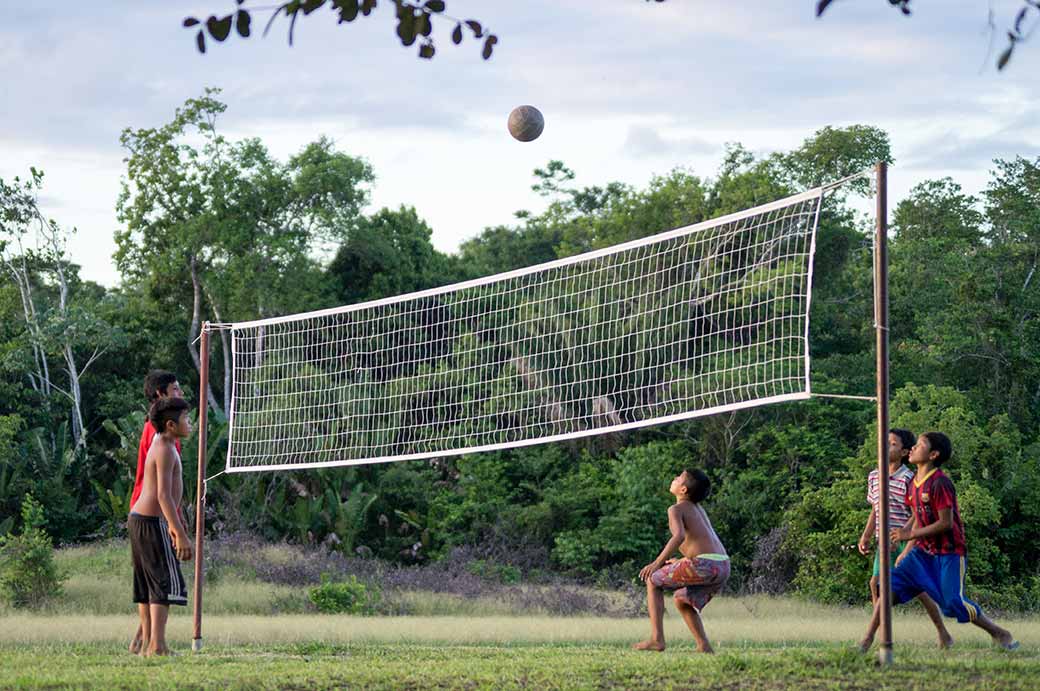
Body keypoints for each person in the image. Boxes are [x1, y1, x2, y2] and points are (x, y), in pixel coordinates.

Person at [859, 432, 1019, 652]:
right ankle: (865, 642)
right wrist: (903, 538)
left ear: (933, 454)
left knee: (952, 604)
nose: (914, 448)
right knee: (885, 589)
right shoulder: (914, 483)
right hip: (922, 553)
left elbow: (946, 522)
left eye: (920, 445)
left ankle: (999, 633)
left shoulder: (940, 482)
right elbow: (915, 515)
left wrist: (909, 536)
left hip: (948, 553)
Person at [857, 428, 951, 650]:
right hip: (884, 540)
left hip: (906, 541)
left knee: (918, 590)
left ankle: (942, 633)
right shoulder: (874, 476)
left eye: (892, 444)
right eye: (884, 441)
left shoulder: (910, 479)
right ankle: (879, 634)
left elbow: (919, 514)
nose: (885, 446)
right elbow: (875, 509)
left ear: (904, 452)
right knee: (876, 583)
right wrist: (866, 535)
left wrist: (906, 541)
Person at [634, 469, 730, 654]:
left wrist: (657, 563)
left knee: (652, 580)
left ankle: (657, 639)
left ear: (683, 489)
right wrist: (684, 561)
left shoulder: (675, 509)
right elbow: (701, 543)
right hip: (722, 565)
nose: (674, 478)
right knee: (682, 599)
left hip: (705, 565)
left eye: (678, 478)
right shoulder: (698, 509)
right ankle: (704, 646)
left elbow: (679, 536)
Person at [128, 397, 194, 656]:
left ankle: (148, 645)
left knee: (147, 586)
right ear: (171, 424)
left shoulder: (162, 442)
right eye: (186, 419)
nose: (190, 424)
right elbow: (163, 496)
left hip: (141, 521)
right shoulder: (165, 448)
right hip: (151, 522)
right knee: (161, 584)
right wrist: (178, 532)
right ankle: (157, 645)